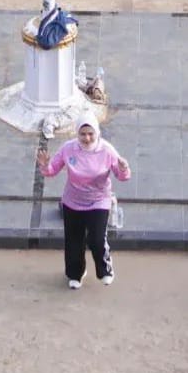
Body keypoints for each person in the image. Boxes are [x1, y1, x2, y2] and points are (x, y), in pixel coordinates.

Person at [37, 109, 129, 289]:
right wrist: (45, 165)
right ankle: (75, 274)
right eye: (82, 134)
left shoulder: (107, 150)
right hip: (73, 201)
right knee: (73, 240)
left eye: (90, 134)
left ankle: (105, 270)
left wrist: (124, 168)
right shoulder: (68, 149)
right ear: (77, 133)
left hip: (99, 200)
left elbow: (122, 175)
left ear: (97, 133)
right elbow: (52, 171)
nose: (86, 138)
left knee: (96, 239)